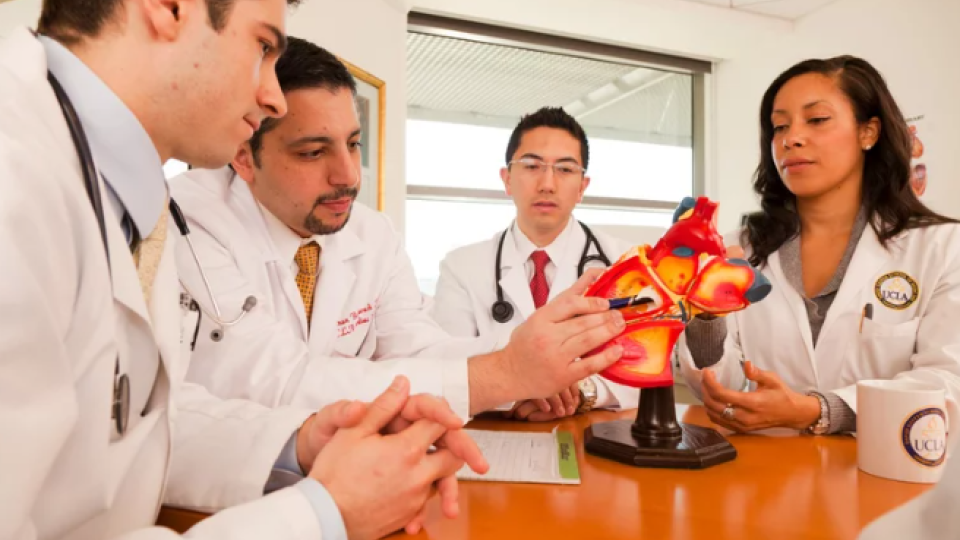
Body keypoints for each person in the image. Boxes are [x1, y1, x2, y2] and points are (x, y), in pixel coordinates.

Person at [0, 1, 488, 538]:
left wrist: (300, 444)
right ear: (166, 8)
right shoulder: (18, 180)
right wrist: (322, 517)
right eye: (261, 47)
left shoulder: (122, 191)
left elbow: (138, 421)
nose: (272, 95)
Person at [168, 40, 627, 422]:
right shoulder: (189, 222)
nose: (347, 176)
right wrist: (504, 375)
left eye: (353, 144)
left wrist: (526, 374)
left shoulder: (373, 235)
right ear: (244, 156)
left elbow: (416, 347)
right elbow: (274, 379)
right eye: (313, 152)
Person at [678, 55, 960, 435]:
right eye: (779, 126)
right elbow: (720, 386)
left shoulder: (941, 248)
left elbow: (947, 380)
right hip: (768, 478)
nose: (791, 138)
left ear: (868, 132)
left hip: (891, 478)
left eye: (817, 120)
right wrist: (706, 318)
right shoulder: (737, 251)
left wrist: (817, 410)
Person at [430, 107, 640, 421]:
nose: (547, 183)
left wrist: (582, 391)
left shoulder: (623, 263)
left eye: (565, 170)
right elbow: (446, 367)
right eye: (531, 166)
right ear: (507, 179)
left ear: (582, 186)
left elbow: (644, 366)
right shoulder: (461, 267)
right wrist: (521, 387)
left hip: (590, 434)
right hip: (493, 435)